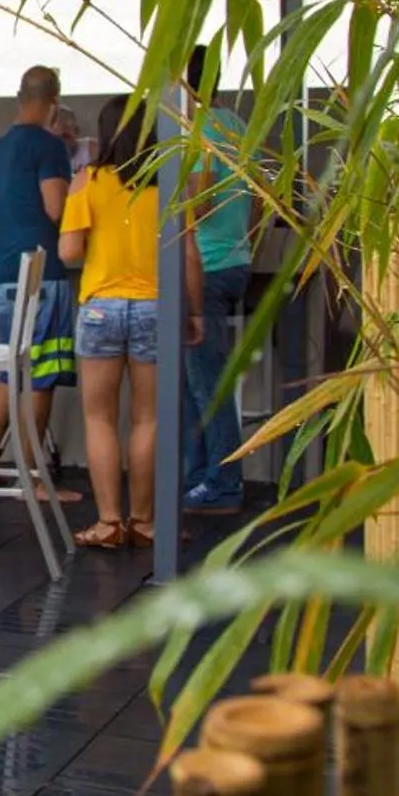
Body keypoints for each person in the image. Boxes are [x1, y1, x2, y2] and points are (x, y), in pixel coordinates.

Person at [58, 96, 203, 549]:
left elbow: (68, 252)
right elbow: (190, 255)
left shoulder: (88, 180)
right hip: (155, 308)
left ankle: (107, 523)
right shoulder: (170, 185)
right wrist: (194, 312)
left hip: (101, 307)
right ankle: (143, 522)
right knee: (148, 419)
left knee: (100, 419)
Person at [0, 65, 79, 485]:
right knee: (42, 373)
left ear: (21, 95)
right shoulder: (48, 147)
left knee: (11, 367)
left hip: (1, 272)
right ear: (54, 99)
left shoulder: (0, 147)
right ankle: (32, 476)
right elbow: (56, 209)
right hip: (41, 274)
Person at [183, 43, 255, 514]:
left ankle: (224, 483)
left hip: (204, 267)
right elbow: (260, 198)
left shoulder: (197, 133)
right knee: (199, 382)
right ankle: (198, 477)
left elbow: (199, 203)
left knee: (209, 385)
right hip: (237, 262)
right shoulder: (238, 126)